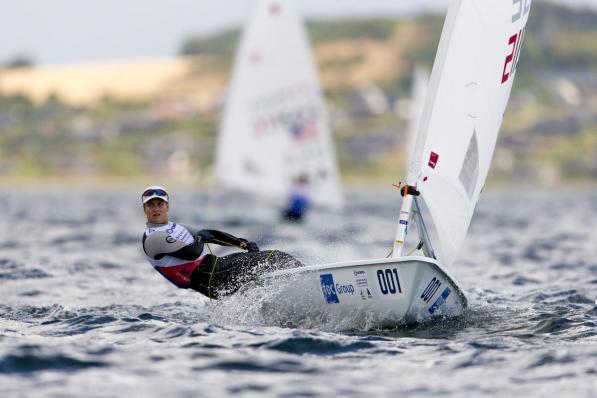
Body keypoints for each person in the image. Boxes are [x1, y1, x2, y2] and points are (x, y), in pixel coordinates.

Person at [141, 185, 302, 299]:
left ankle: (291, 293)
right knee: (274, 258)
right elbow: (192, 253)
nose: (156, 209)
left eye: (160, 204)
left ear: (167, 206)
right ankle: (307, 281)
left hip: (216, 266)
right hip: (209, 279)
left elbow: (210, 234)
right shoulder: (153, 238)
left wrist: (241, 243)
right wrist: (201, 238)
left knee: (269, 264)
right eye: (150, 205)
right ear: (145, 209)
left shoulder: (175, 227)